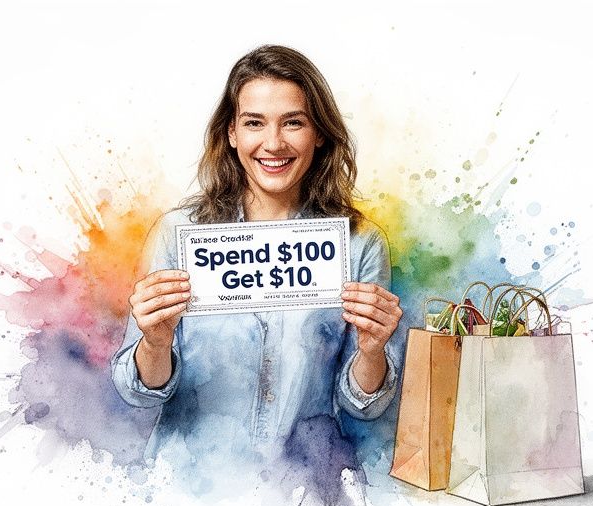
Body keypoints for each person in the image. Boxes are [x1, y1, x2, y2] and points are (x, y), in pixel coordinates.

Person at [110, 45, 402, 482]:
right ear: (231, 133)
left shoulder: (359, 245)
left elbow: (366, 403)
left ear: (319, 133)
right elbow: (138, 394)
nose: (273, 143)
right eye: (254, 123)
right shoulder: (178, 235)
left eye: (293, 122)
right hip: (188, 489)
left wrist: (373, 350)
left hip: (302, 490)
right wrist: (154, 343)